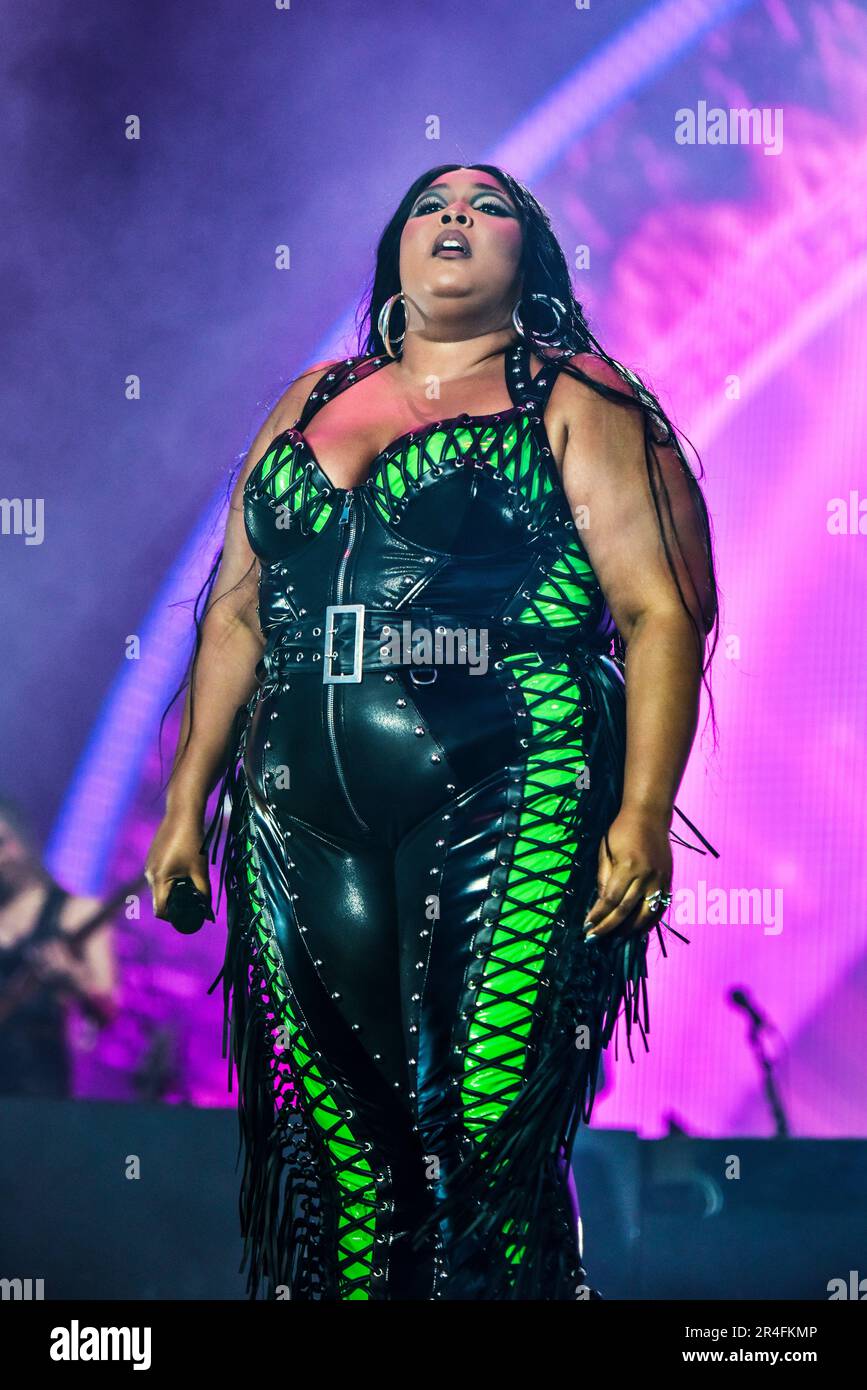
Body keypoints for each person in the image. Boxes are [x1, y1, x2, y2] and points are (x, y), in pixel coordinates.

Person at [146, 164, 719, 1301]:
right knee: (344, 1155)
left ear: (530, 260)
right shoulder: (309, 399)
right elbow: (237, 608)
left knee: (484, 1126)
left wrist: (644, 812)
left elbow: (661, 609)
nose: (455, 215)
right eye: (431, 205)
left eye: (487, 206)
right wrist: (182, 807)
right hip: (297, 795)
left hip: (512, 766)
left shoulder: (580, 395)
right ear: (397, 251)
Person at [0, 798, 118, 1097]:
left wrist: (73, 978)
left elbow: (109, 1007)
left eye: (2, 843)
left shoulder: (77, 911)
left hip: (40, 1082)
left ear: (24, 841)